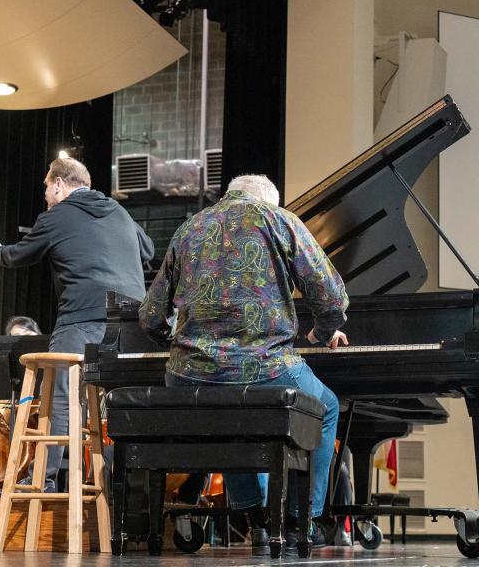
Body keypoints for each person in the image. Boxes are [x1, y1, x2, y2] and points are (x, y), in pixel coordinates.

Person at [139, 174, 348, 553]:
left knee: (232, 420)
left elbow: (151, 316)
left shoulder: (189, 228)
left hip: (190, 377)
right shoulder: (278, 220)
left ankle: (257, 522)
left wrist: (180, 346)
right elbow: (331, 297)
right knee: (326, 407)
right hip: (267, 369)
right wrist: (320, 333)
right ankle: (305, 520)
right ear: (270, 200)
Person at [0, 157, 154, 492]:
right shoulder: (119, 211)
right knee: (125, 403)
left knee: (60, 398)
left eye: (46, 187)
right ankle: (128, 488)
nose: (45, 194)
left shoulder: (57, 214)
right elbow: (148, 250)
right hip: (133, 323)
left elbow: (21, 254)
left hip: (83, 318)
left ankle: (42, 483)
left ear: (58, 184)